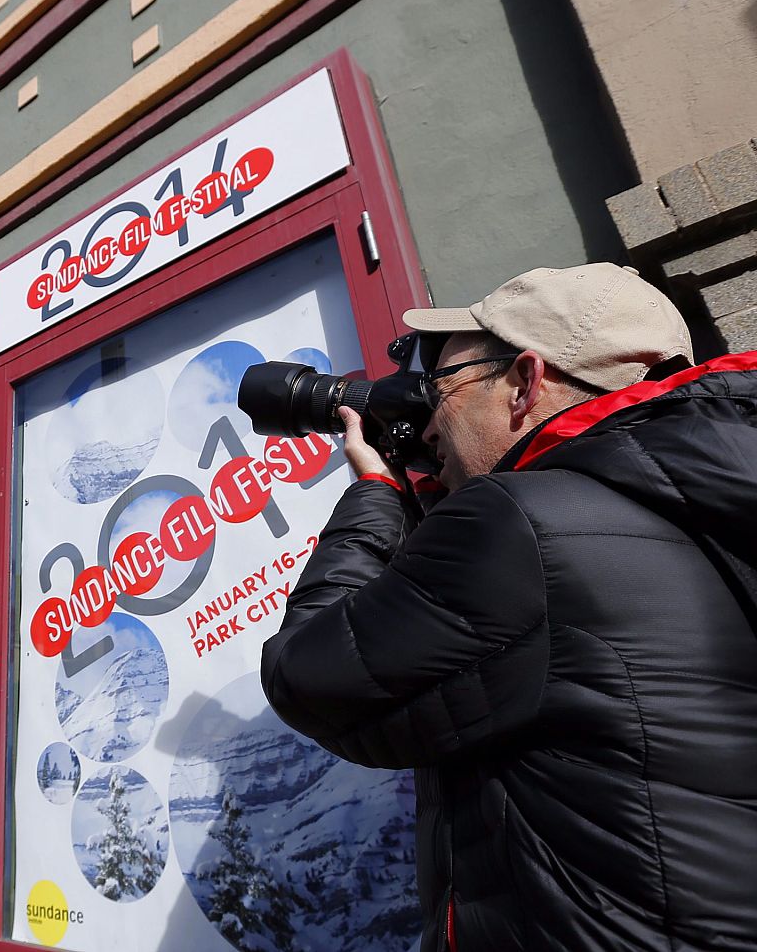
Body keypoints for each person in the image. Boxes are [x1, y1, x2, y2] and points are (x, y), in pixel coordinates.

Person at [260, 263, 757, 951]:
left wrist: (377, 496)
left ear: (525, 382)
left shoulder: (521, 523)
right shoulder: (702, 495)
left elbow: (310, 679)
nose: (430, 422)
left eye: (443, 389)